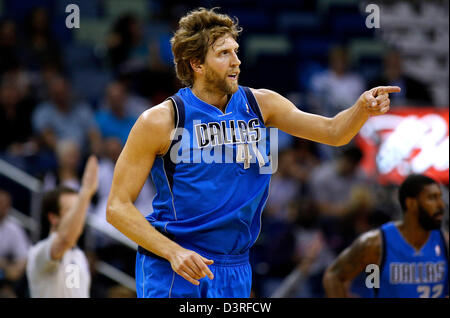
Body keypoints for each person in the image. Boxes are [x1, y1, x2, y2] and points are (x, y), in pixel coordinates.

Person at [106, 7, 400, 298]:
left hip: (236, 264)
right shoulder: (161, 120)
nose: (237, 61)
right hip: (176, 265)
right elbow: (117, 207)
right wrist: (173, 252)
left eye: (236, 51)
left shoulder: (261, 104)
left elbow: (334, 132)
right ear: (196, 63)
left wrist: (361, 109)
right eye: (224, 54)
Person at [323, 174, 449, 298]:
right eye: (432, 198)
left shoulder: (445, 241)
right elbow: (333, 276)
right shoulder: (375, 243)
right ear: (411, 204)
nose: (441, 205)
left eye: (440, 197)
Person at [26, 156, 98, 298]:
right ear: (53, 218)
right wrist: (85, 192)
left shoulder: (77, 255)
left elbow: (74, 292)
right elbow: (65, 238)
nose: (79, 216)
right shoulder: (38, 252)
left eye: (80, 210)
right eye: (73, 211)